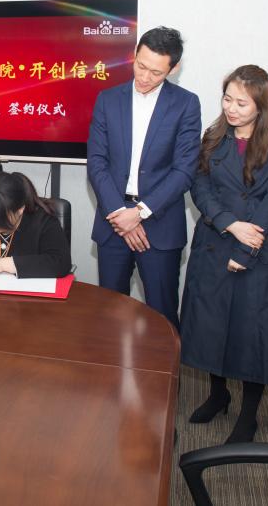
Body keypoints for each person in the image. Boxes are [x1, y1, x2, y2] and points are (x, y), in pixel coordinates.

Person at [180, 65, 268, 444]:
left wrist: (245, 250)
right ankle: (218, 395)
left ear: (261, 106)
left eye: (242, 103)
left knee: (251, 336)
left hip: (256, 251)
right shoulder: (213, 138)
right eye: (227, 99)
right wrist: (228, 223)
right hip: (215, 241)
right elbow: (200, 186)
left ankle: (248, 415)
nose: (231, 108)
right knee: (211, 329)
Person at [87, 26, 202, 327]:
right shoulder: (108, 99)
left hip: (159, 226)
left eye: (156, 72)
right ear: (135, 55)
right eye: (141, 65)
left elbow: (184, 170)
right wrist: (119, 214)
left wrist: (138, 213)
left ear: (173, 69)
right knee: (109, 316)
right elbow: (97, 162)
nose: (145, 77)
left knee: (162, 319)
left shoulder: (186, 104)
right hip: (113, 223)